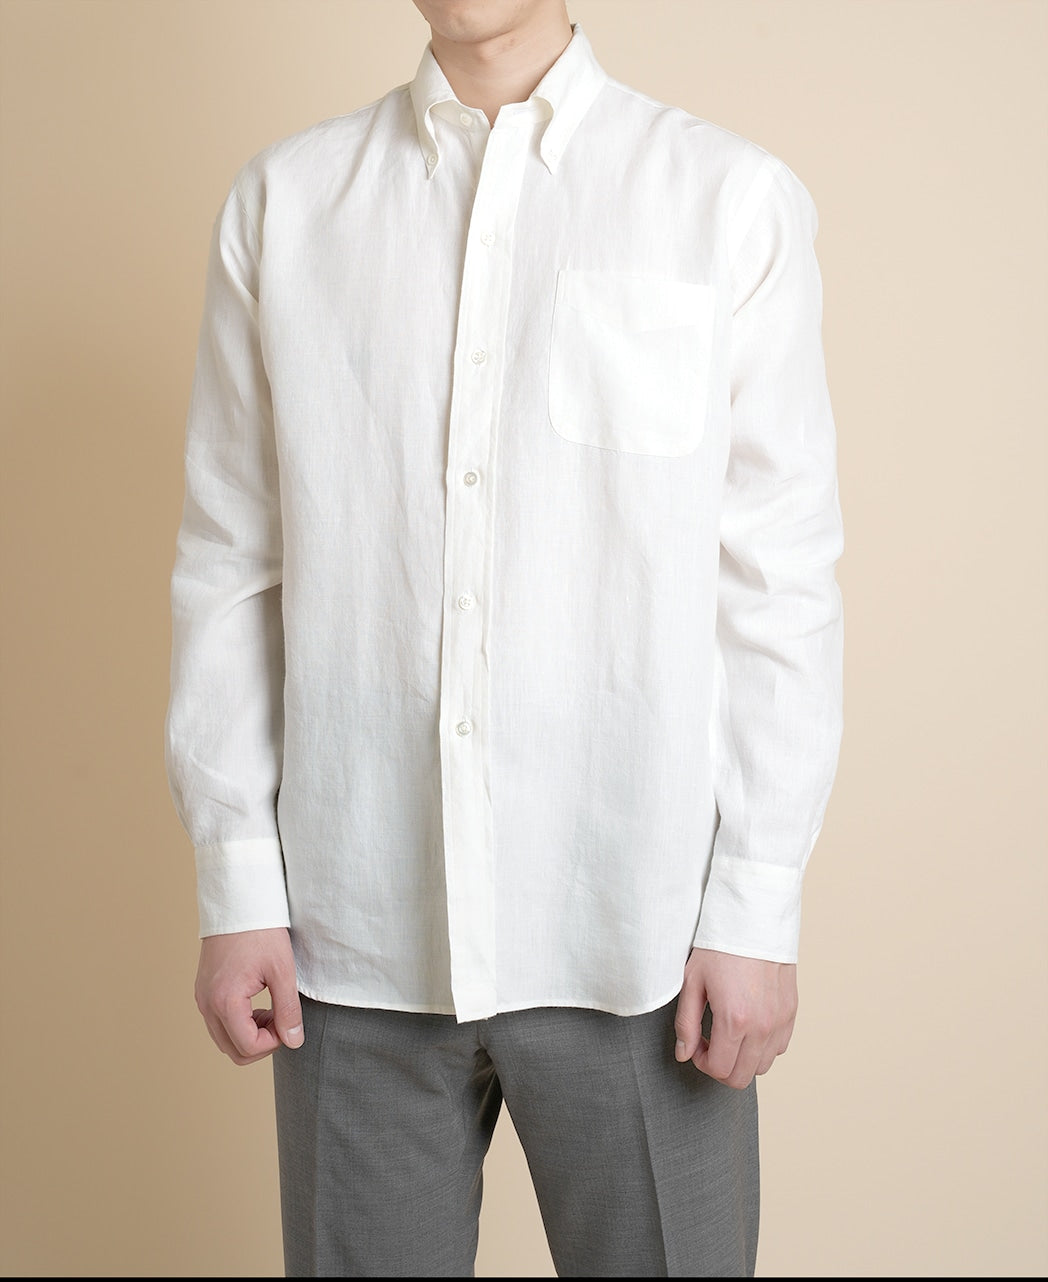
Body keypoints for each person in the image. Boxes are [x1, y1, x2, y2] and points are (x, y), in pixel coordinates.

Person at [164, 1, 844, 1275]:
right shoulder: (287, 205)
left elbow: (777, 582)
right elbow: (231, 560)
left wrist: (755, 906)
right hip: (352, 937)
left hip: (638, 934)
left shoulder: (724, 201)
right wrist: (236, 880)